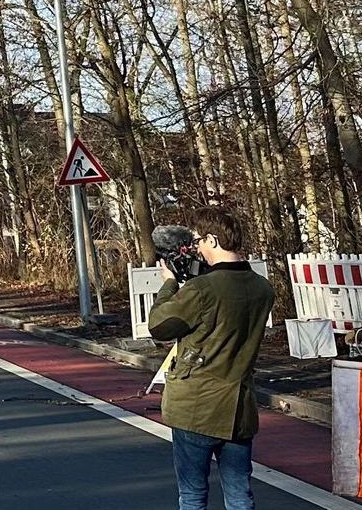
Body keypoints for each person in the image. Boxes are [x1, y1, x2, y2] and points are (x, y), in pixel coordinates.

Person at [147, 207, 276, 510]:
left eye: (198, 241)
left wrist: (169, 283)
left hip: (197, 406)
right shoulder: (263, 288)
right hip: (239, 408)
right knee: (240, 494)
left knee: (193, 495)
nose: (197, 249)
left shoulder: (201, 289)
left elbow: (160, 326)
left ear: (212, 240)